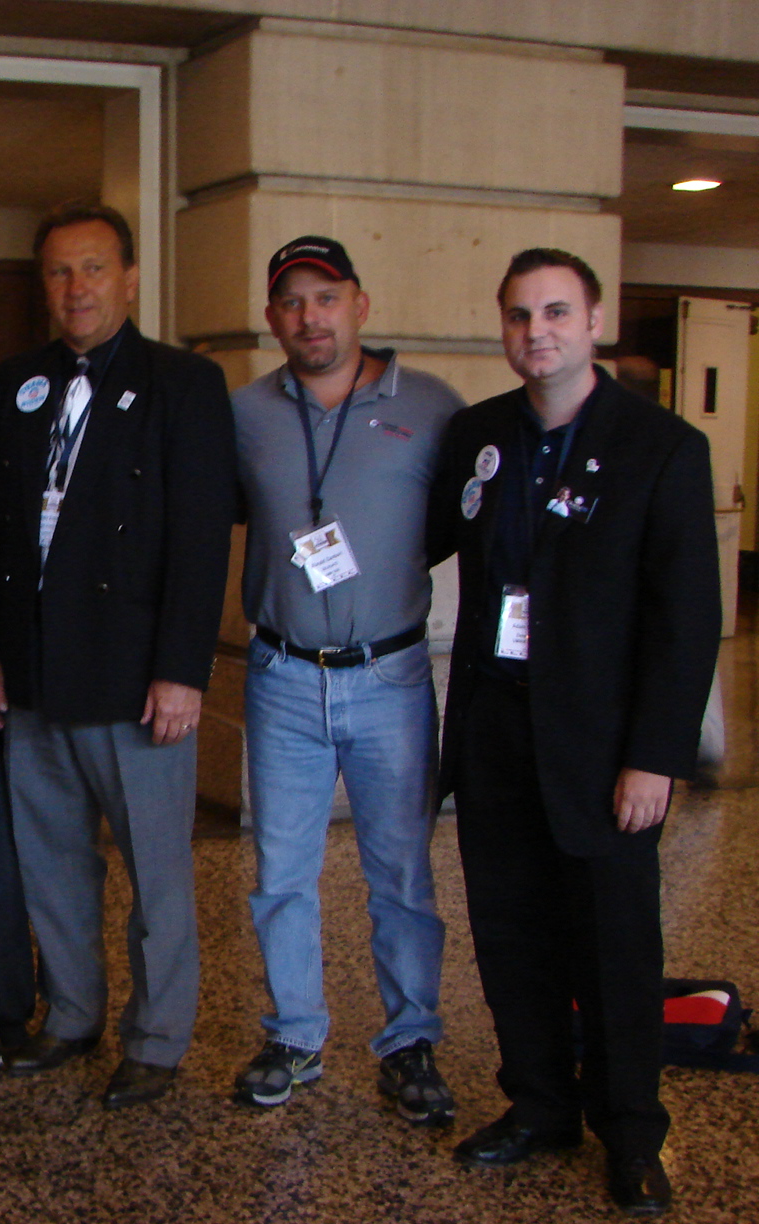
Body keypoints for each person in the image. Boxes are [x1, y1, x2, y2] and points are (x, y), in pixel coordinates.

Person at [429, 248, 721, 1215]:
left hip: (604, 749)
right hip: (497, 731)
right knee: (510, 938)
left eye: (556, 311)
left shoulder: (662, 447)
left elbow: (686, 621)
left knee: (615, 948)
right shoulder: (480, 436)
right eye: (518, 316)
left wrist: (655, 758)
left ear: (595, 323)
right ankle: (541, 1105)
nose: (535, 332)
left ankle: (632, 1132)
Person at [0, 201, 235, 1109]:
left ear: (129, 278)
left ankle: (158, 1038)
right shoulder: (17, 385)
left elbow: (202, 539)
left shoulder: (183, 384)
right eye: (58, 272)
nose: (75, 289)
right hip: (36, 671)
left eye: (92, 269)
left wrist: (182, 670)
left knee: (155, 871)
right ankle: (72, 1013)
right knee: (51, 860)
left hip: (135, 679)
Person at [229, 236, 464, 1124]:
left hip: (392, 678)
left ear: (360, 304)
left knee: (401, 874)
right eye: (291, 302)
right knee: (280, 871)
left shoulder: (434, 408)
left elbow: (451, 523)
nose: (309, 317)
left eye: (326, 297)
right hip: (282, 675)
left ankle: (411, 1042)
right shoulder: (245, 413)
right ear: (272, 318)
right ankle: (294, 1033)